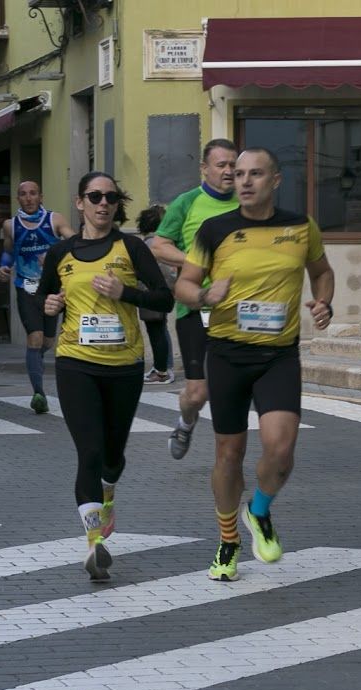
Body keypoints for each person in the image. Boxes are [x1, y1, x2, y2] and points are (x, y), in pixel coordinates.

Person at [173, 147, 335, 583]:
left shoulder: (300, 227)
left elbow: (322, 270)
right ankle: (228, 542)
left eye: (255, 174)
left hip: (279, 355)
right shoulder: (214, 229)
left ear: (276, 180)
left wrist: (324, 302)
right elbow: (184, 285)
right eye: (238, 173)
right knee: (230, 454)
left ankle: (258, 510)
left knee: (281, 453)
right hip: (226, 353)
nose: (244, 181)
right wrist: (204, 296)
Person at [40, 173, 175, 581]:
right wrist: (48, 306)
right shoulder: (60, 252)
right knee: (90, 452)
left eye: (111, 197)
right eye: (95, 196)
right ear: (80, 203)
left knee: (113, 457)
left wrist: (125, 293)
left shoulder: (131, 247)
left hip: (124, 366)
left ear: (117, 204)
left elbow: (164, 298)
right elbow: (44, 299)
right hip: (75, 363)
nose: (103, 203)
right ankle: (95, 543)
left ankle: (109, 491)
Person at [151, 138, 240, 459]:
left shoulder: (249, 202)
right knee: (197, 392)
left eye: (234, 165)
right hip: (194, 307)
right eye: (222, 165)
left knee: (233, 388)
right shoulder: (187, 202)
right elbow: (159, 245)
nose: (229, 171)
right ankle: (186, 422)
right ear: (205, 169)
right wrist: (193, 261)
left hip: (237, 309)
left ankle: (230, 455)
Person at [0, 180, 72, 414]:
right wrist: (3, 268)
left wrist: (54, 255)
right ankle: (39, 394)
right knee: (35, 338)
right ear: (17, 198)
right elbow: (9, 251)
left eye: (32, 194)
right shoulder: (11, 225)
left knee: (48, 342)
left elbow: (74, 244)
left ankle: (33, 362)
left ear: (41, 196)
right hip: (25, 289)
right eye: (23, 194)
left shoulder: (55, 219)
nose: (28, 198)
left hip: (51, 290)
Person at [136, 204, 176, 384]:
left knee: (156, 331)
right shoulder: (160, 242)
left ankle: (162, 371)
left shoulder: (150, 244)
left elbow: (163, 271)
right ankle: (164, 367)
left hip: (151, 294)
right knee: (160, 329)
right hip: (159, 293)